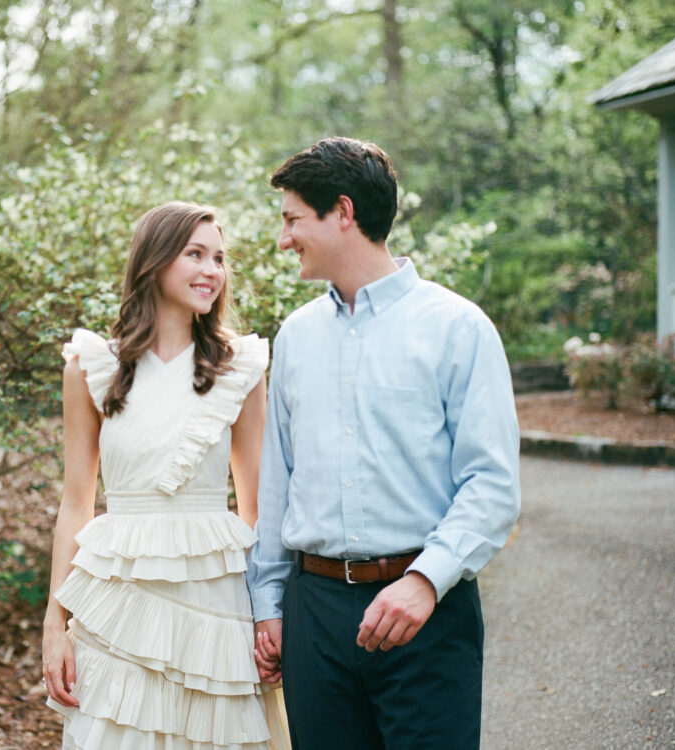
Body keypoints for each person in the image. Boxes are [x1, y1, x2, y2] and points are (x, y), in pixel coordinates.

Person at [247, 137, 521, 749]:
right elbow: (277, 479)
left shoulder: (458, 328)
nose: (283, 238)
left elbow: (493, 483)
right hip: (313, 617)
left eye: (292, 219)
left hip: (428, 614)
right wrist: (268, 603)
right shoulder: (294, 337)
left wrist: (425, 581)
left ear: (343, 213)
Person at [42, 201, 285, 749]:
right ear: (153, 261)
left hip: (214, 603)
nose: (211, 270)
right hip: (117, 604)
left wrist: (269, 612)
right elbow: (76, 503)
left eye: (219, 258)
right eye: (195, 254)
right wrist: (53, 626)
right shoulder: (90, 367)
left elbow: (256, 506)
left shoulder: (239, 368)